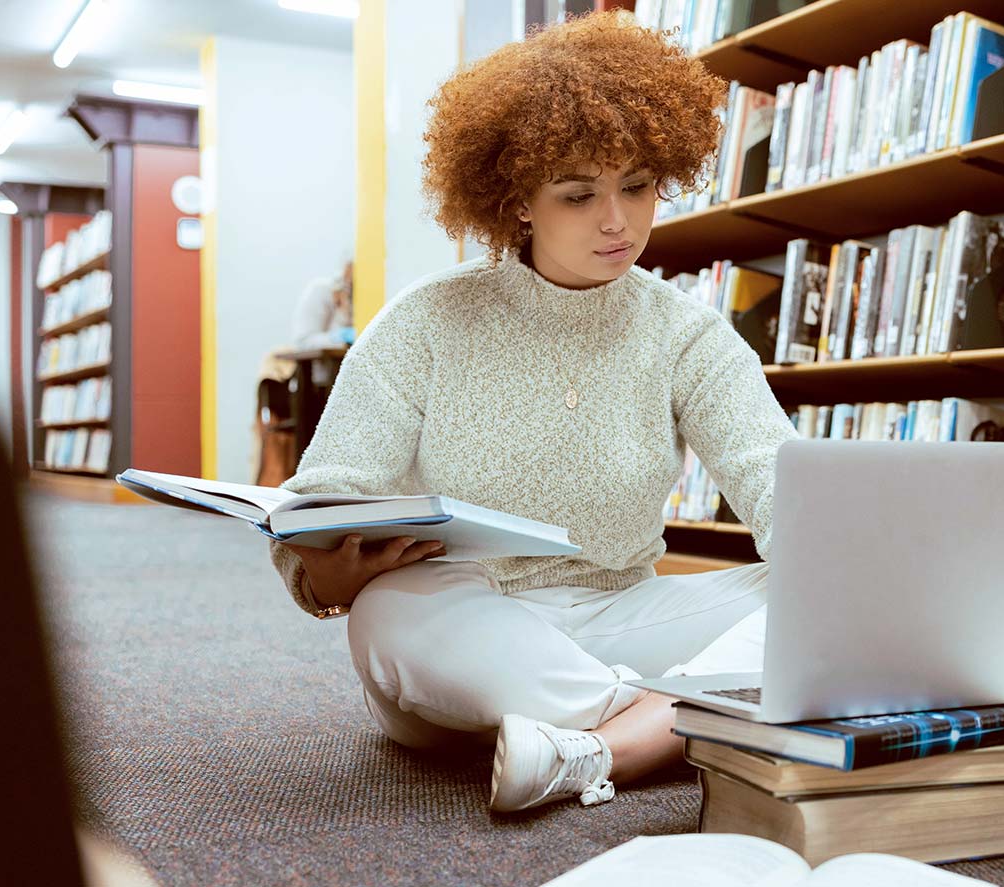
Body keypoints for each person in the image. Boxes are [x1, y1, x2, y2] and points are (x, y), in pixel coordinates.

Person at [270, 11, 798, 813]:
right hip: (465, 624)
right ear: (517, 200)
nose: (617, 220)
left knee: (822, 590)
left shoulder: (689, 335)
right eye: (579, 194)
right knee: (385, 614)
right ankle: (672, 722)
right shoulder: (426, 322)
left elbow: (776, 483)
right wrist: (335, 568)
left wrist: (832, 557)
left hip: (623, 610)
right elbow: (319, 521)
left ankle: (590, 747)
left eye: (638, 186)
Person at [291, 256, 357, 351]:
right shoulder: (320, 291)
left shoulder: (364, 297)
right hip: (322, 363)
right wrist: (337, 338)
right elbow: (302, 342)